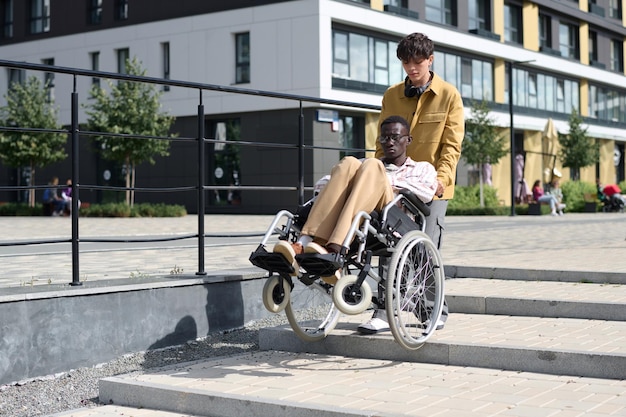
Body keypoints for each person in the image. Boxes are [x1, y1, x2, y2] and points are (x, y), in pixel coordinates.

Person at [362, 32, 465, 333]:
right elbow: (383, 140)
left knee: (426, 245)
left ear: (430, 60)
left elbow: (451, 145)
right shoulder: (392, 95)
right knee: (384, 239)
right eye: (406, 63)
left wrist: (442, 180)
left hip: (431, 185)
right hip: (394, 180)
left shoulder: (449, 95)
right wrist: (377, 173)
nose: (412, 69)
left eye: (417, 62)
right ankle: (383, 310)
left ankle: (432, 309)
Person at [273, 115, 437, 285]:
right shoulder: (363, 165)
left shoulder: (422, 168)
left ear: (408, 140)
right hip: (359, 211)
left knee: (373, 166)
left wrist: (376, 180)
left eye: (395, 137)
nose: (389, 142)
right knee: (350, 162)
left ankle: (336, 249)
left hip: (390, 216)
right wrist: (352, 180)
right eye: (385, 137)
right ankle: (304, 243)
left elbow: (427, 192)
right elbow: (320, 185)